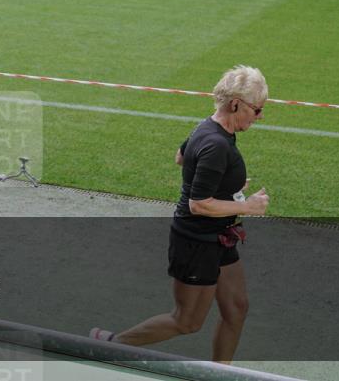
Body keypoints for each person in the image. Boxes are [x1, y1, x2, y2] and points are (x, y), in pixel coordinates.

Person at [91, 65, 271, 364]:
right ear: (235, 104)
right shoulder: (215, 142)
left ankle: (219, 373)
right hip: (197, 241)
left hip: (219, 237)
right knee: (187, 321)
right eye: (258, 109)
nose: (260, 116)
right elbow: (198, 205)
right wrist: (247, 206)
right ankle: (112, 345)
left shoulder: (210, 127)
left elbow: (182, 157)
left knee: (236, 308)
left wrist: (225, 183)